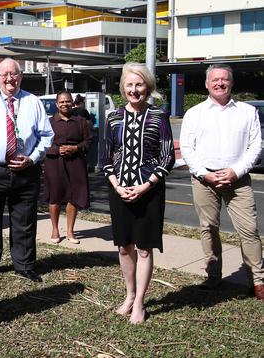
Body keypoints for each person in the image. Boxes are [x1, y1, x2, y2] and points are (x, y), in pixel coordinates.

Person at [180, 64, 263, 301]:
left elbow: (255, 146)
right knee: (209, 228)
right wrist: (204, 173)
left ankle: (257, 280)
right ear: (207, 84)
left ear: (231, 83)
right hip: (204, 180)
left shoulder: (247, 111)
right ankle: (213, 275)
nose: (220, 83)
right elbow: (187, 148)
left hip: (238, 180)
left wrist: (236, 171)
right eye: (215, 80)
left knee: (249, 230)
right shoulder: (194, 113)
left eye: (224, 79)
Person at [100, 62, 175, 324]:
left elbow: (167, 157)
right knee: (124, 248)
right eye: (129, 85)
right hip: (119, 191)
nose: (134, 90)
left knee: (144, 249)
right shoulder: (113, 118)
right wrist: (118, 185)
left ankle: (140, 302)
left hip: (149, 191)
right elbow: (105, 158)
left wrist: (146, 185)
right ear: (123, 88)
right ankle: (129, 295)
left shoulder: (159, 116)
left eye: (139, 84)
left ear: (148, 87)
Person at [0, 58, 53, 283]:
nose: (9, 79)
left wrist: (32, 159)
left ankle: (24, 264)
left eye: (13, 74)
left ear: (21, 76)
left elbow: (47, 136)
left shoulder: (33, 102)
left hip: (26, 171)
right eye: (4, 75)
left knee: (24, 219)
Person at [44, 91, 92, 244]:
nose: (65, 104)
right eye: (62, 102)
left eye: (68, 101)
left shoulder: (81, 121)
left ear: (72, 102)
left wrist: (76, 148)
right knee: (55, 196)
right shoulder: (49, 122)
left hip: (76, 162)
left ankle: (70, 231)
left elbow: (88, 142)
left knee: (74, 196)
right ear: (56, 104)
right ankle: (55, 230)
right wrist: (57, 150)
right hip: (54, 162)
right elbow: (42, 144)